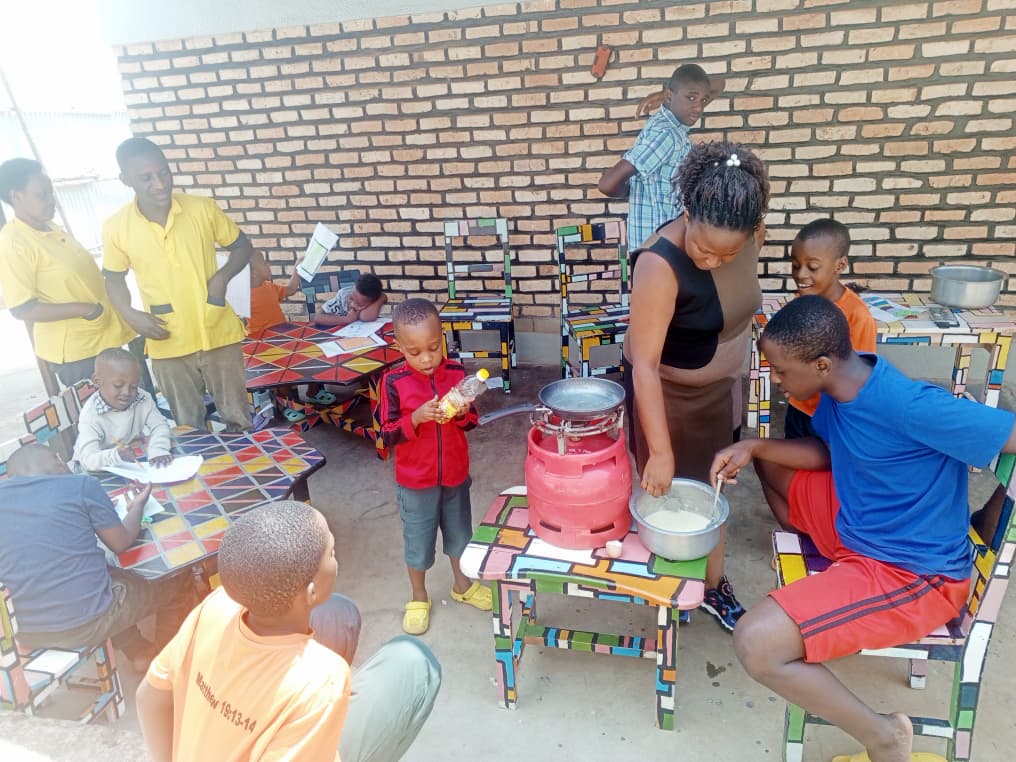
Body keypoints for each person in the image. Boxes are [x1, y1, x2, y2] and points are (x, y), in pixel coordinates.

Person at [710, 295, 1016, 762]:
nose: (774, 378)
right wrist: (753, 448)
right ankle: (824, 584)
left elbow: (1008, 434)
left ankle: (884, 735)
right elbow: (830, 453)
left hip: (911, 572)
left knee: (756, 642)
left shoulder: (909, 405)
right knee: (769, 463)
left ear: (822, 362)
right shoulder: (839, 389)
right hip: (858, 516)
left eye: (780, 369)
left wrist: (994, 513)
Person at [136, 500, 441, 762]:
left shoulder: (217, 604)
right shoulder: (323, 677)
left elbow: (148, 697)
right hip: (303, 713)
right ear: (310, 591)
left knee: (338, 613)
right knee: (415, 662)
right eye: (332, 553)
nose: (336, 559)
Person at [622, 140, 769, 632]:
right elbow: (643, 364)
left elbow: (740, 305)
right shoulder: (658, 264)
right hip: (668, 397)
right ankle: (668, 589)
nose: (713, 260)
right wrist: (658, 451)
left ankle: (710, 586)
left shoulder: (748, 237)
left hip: (722, 390)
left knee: (713, 493)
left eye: (728, 252)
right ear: (688, 212)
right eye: (704, 248)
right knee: (665, 494)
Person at [102, 137, 253, 432]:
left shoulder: (202, 209)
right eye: (146, 178)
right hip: (167, 339)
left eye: (164, 173)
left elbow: (242, 246)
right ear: (126, 180)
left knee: (239, 422)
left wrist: (221, 279)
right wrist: (130, 314)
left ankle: (248, 473)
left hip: (217, 330)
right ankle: (207, 477)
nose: (160, 184)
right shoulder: (116, 227)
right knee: (189, 428)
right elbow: (114, 278)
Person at [0, 443, 194, 671]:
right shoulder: (80, 485)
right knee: (178, 577)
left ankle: (139, 651)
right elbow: (120, 542)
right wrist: (137, 508)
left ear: (9, 476)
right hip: (87, 622)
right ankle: (163, 667)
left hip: (23, 631)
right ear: (59, 460)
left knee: (101, 573)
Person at [378, 298, 492, 635]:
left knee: (460, 534)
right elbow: (384, 433)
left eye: (433, 347)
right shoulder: (393, 382)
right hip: (415, 482)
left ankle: (462, 585)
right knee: (419, 541)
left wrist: (461, 412)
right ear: (398, 346)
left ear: (442, 336)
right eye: (414, 352)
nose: (426, 358)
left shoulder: (457, 375)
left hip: (455, 474)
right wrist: (415, 418)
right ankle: (418, 596)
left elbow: (472, 422)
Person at [0, 158, 135, 386]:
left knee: (131, 413)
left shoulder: (50, 228)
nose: (51, 200)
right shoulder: (13, 243)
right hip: (78, 354)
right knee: (105, 418)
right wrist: (86, 309)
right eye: (41, 195)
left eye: (50, 192)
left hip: (101, 338)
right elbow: (22, 308)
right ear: (17, 196)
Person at [598, 64, 716, 249]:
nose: (698, 107)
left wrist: (667, 95)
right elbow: (607, 184)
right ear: (670, 95)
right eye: (691, 98)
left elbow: (719, 85)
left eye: (703, 100)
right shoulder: (666, 134)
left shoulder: (674, 126)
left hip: (661, 242)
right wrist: (628, 190)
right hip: (658, 246)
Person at [784, 218, 877, 439]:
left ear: (840, 265)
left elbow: (859, 380)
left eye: (813, 267)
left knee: (828, 470)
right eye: (795, 265)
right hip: (798, 408)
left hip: (833, 417)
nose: (800, 275)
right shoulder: (800, 302)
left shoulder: (857, 317)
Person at [73, 347, 173, 472]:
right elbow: (88, 460)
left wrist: (158, 449)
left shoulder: (142, 398)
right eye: (118, 385)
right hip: (94, 469)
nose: (126, 392)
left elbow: (160, 425)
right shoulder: (91, 416)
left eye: (134, 386)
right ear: (97, 381)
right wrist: (117, 455)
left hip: (128, 460)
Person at [313, 272, 387, 329]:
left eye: (359, 304)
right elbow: (317, 318)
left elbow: (365, 317)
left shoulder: (374, 300)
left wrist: (382, 297)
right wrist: (346, 319)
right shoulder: (343, 296)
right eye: (351, 298)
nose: (353, 304)